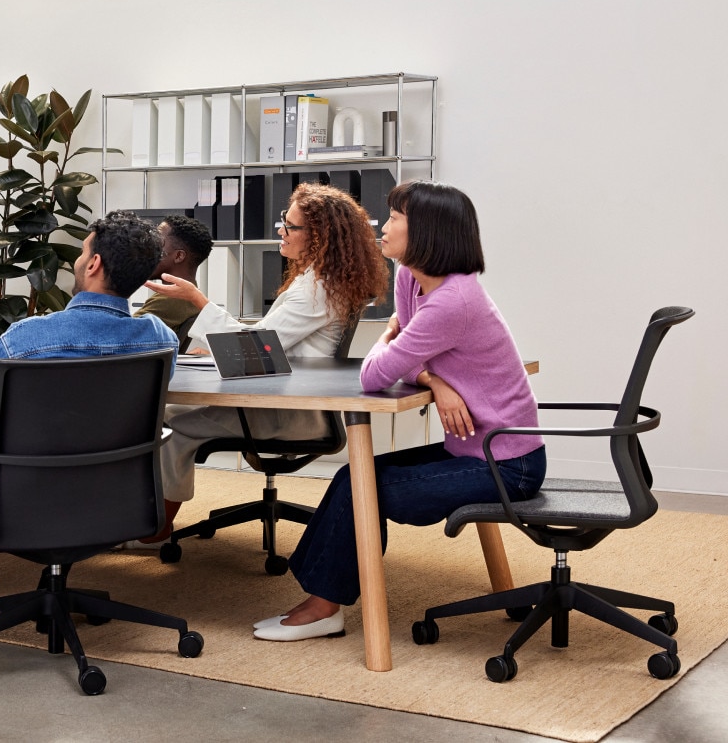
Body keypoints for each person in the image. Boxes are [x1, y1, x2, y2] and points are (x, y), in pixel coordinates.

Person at [253, 180, 547, 642]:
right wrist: (436, 380)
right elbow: (409, 360)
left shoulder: (454, 300)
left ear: (427, 231)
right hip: (475, 448)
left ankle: (324, 608)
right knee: (354, 476)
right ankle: (324, 599)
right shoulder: (412, 278)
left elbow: (378, 372)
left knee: (360, 486)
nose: (381, 226)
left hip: (507, 464)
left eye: (393, 218)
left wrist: (396, 344)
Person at [0, 211, 177, 609]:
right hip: (115, 504)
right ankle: (56, 575)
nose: (78, 260)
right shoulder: (160, 339)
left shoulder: (27, 338)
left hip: (18, 506)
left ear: (93, 264)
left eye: (82, 251)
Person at [135, 183, 389, 545]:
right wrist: (218, 347)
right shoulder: (321, 281)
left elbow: (259, 348)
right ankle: (150, 519)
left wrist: (197, 299)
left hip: (285, 410)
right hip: (281, 394)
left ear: (318, 235)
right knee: (169, 413)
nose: (282, 232)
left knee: (172, 424)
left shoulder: (316, 290)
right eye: (282, 223)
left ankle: (153, 530)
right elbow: (272, 342)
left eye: (290, 226)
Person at [133, 214, 213, 350]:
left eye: (156, 244)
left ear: (178, 256)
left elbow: (119, 336)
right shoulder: (186, 297)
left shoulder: (170, 300)